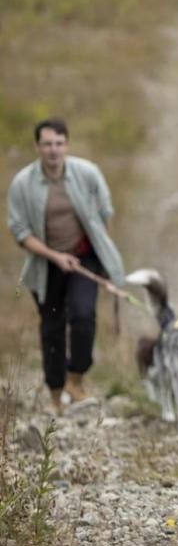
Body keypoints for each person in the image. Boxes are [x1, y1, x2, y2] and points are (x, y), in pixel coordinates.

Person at [6, 118, 126, 413]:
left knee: (83, 316)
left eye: (59, 143)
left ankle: (76, 377)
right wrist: (55, 256)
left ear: (67, 145)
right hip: (45, 264)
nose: (53, 150)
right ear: (37, 147)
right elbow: (20, 232)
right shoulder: (23, 183)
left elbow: (105, 213)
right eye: (47, 144)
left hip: (83, 258)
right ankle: (56, 394)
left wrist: (105, 255)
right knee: (52, 327)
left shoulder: (87, 173)